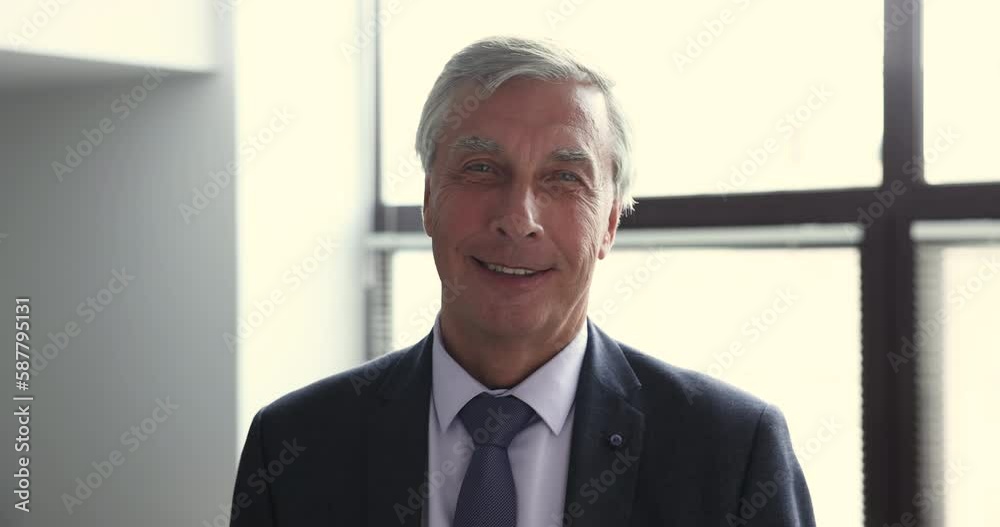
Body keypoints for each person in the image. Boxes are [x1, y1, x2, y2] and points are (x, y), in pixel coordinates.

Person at [230, 36, 816, 527]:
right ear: (429, 199)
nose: (518, 219)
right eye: (481, 169)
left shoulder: (732, 452)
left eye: (564, 178)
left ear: (610, 223)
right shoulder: (295, 445)